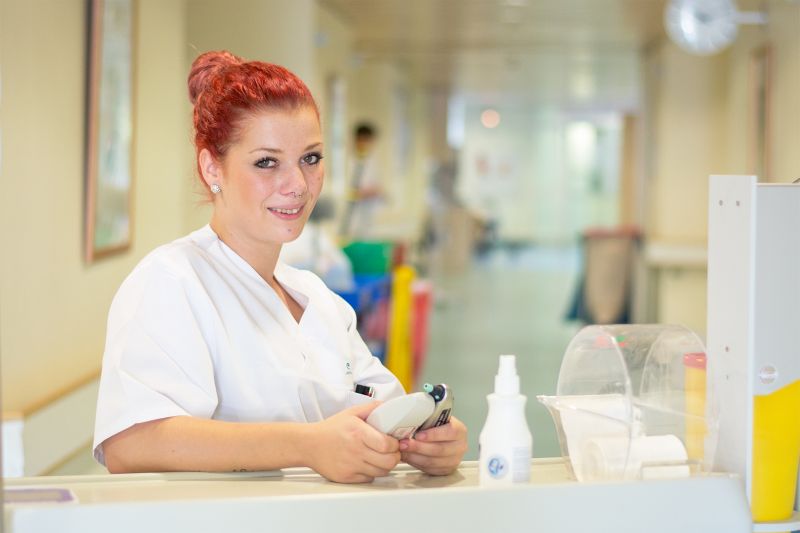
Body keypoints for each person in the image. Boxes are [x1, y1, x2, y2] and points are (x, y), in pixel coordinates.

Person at [92, 50, 467, 483]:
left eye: (310, 158)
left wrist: (426, 439)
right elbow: (131, 443)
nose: (297, 185)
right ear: (211, 165)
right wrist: (306, 446)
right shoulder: (171, 280)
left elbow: (383, 414)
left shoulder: (317, 299)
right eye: (266, 162)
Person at [339, 122, 383, 239]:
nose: (363, 143)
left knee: (366, 236)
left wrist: (369, 192)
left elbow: (379, 189)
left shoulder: (376, 162)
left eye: (366, 140)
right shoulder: (349, 161)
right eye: (360, 140)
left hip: (368, 212)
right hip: (351, 213)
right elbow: (345, 189)